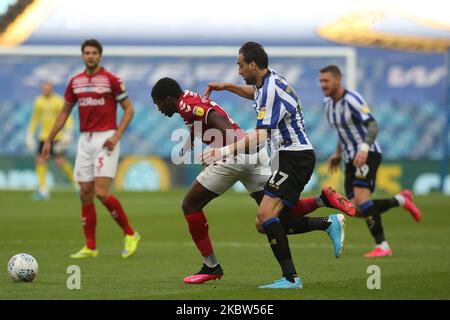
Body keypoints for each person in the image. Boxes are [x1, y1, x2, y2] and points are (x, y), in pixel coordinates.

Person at [152, 77, 353, 286]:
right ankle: (323, 207)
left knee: (190, 206)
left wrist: (224, 151)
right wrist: (189, 141)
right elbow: (201, 119)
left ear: (168, 99)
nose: (159, 109)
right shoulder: (189, 99)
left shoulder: (185, 105)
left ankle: (211, 265)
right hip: (254, 155)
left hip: (234, 158)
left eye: (158, 104)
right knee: (273, 216)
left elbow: (216, 120)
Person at [203, 42, 354, 289]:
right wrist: (227, 87)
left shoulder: (271, 88)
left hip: (294, 157)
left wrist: (222, 151)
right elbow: (254, 94)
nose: (238, 71)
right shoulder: (264, 84)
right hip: (288, 157)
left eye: (240, 65)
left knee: (265, 216)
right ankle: (326, 217)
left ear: (253, 64)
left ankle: (291, 278)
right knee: (265, 223)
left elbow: (261, 137)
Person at [42, 39, 140, 259]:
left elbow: (129, 110)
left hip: (106, 138)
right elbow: (64, 112)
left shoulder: (112, 81)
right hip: (85, 140)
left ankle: (130, 234)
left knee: (101, 192)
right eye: (87, 52)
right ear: (82, 55)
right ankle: (90, 246)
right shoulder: (75, 82)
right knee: (85, 193)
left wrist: (116, 135)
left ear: (100, 55)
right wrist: (49, 139)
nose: (90, 56)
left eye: (94, 52)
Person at [318, 64, 422, 258]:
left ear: (338, 80)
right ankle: (401, 200)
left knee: (363, 200)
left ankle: (382, 246)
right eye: (321, 81)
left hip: (367, 154)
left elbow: (372, 125)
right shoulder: (328, 105)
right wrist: (338, 154)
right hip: (350, 159)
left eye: (327, 80)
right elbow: (342, 132)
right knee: (354, 209)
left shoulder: (352, 99)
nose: (323, 84)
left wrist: (364, 148)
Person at [26, 81, 75, 200]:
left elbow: (66, 116)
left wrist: (68, 132)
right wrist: (30, 134)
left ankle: (78, 185)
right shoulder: (39, 101)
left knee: (61, 161)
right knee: (40, 160)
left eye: (47, 88)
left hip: (56, 137)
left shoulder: (58, 100)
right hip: (44, 137)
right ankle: (43, 190)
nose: (45, 90)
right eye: (44, 88)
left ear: (51, 89)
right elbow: (35, 118)